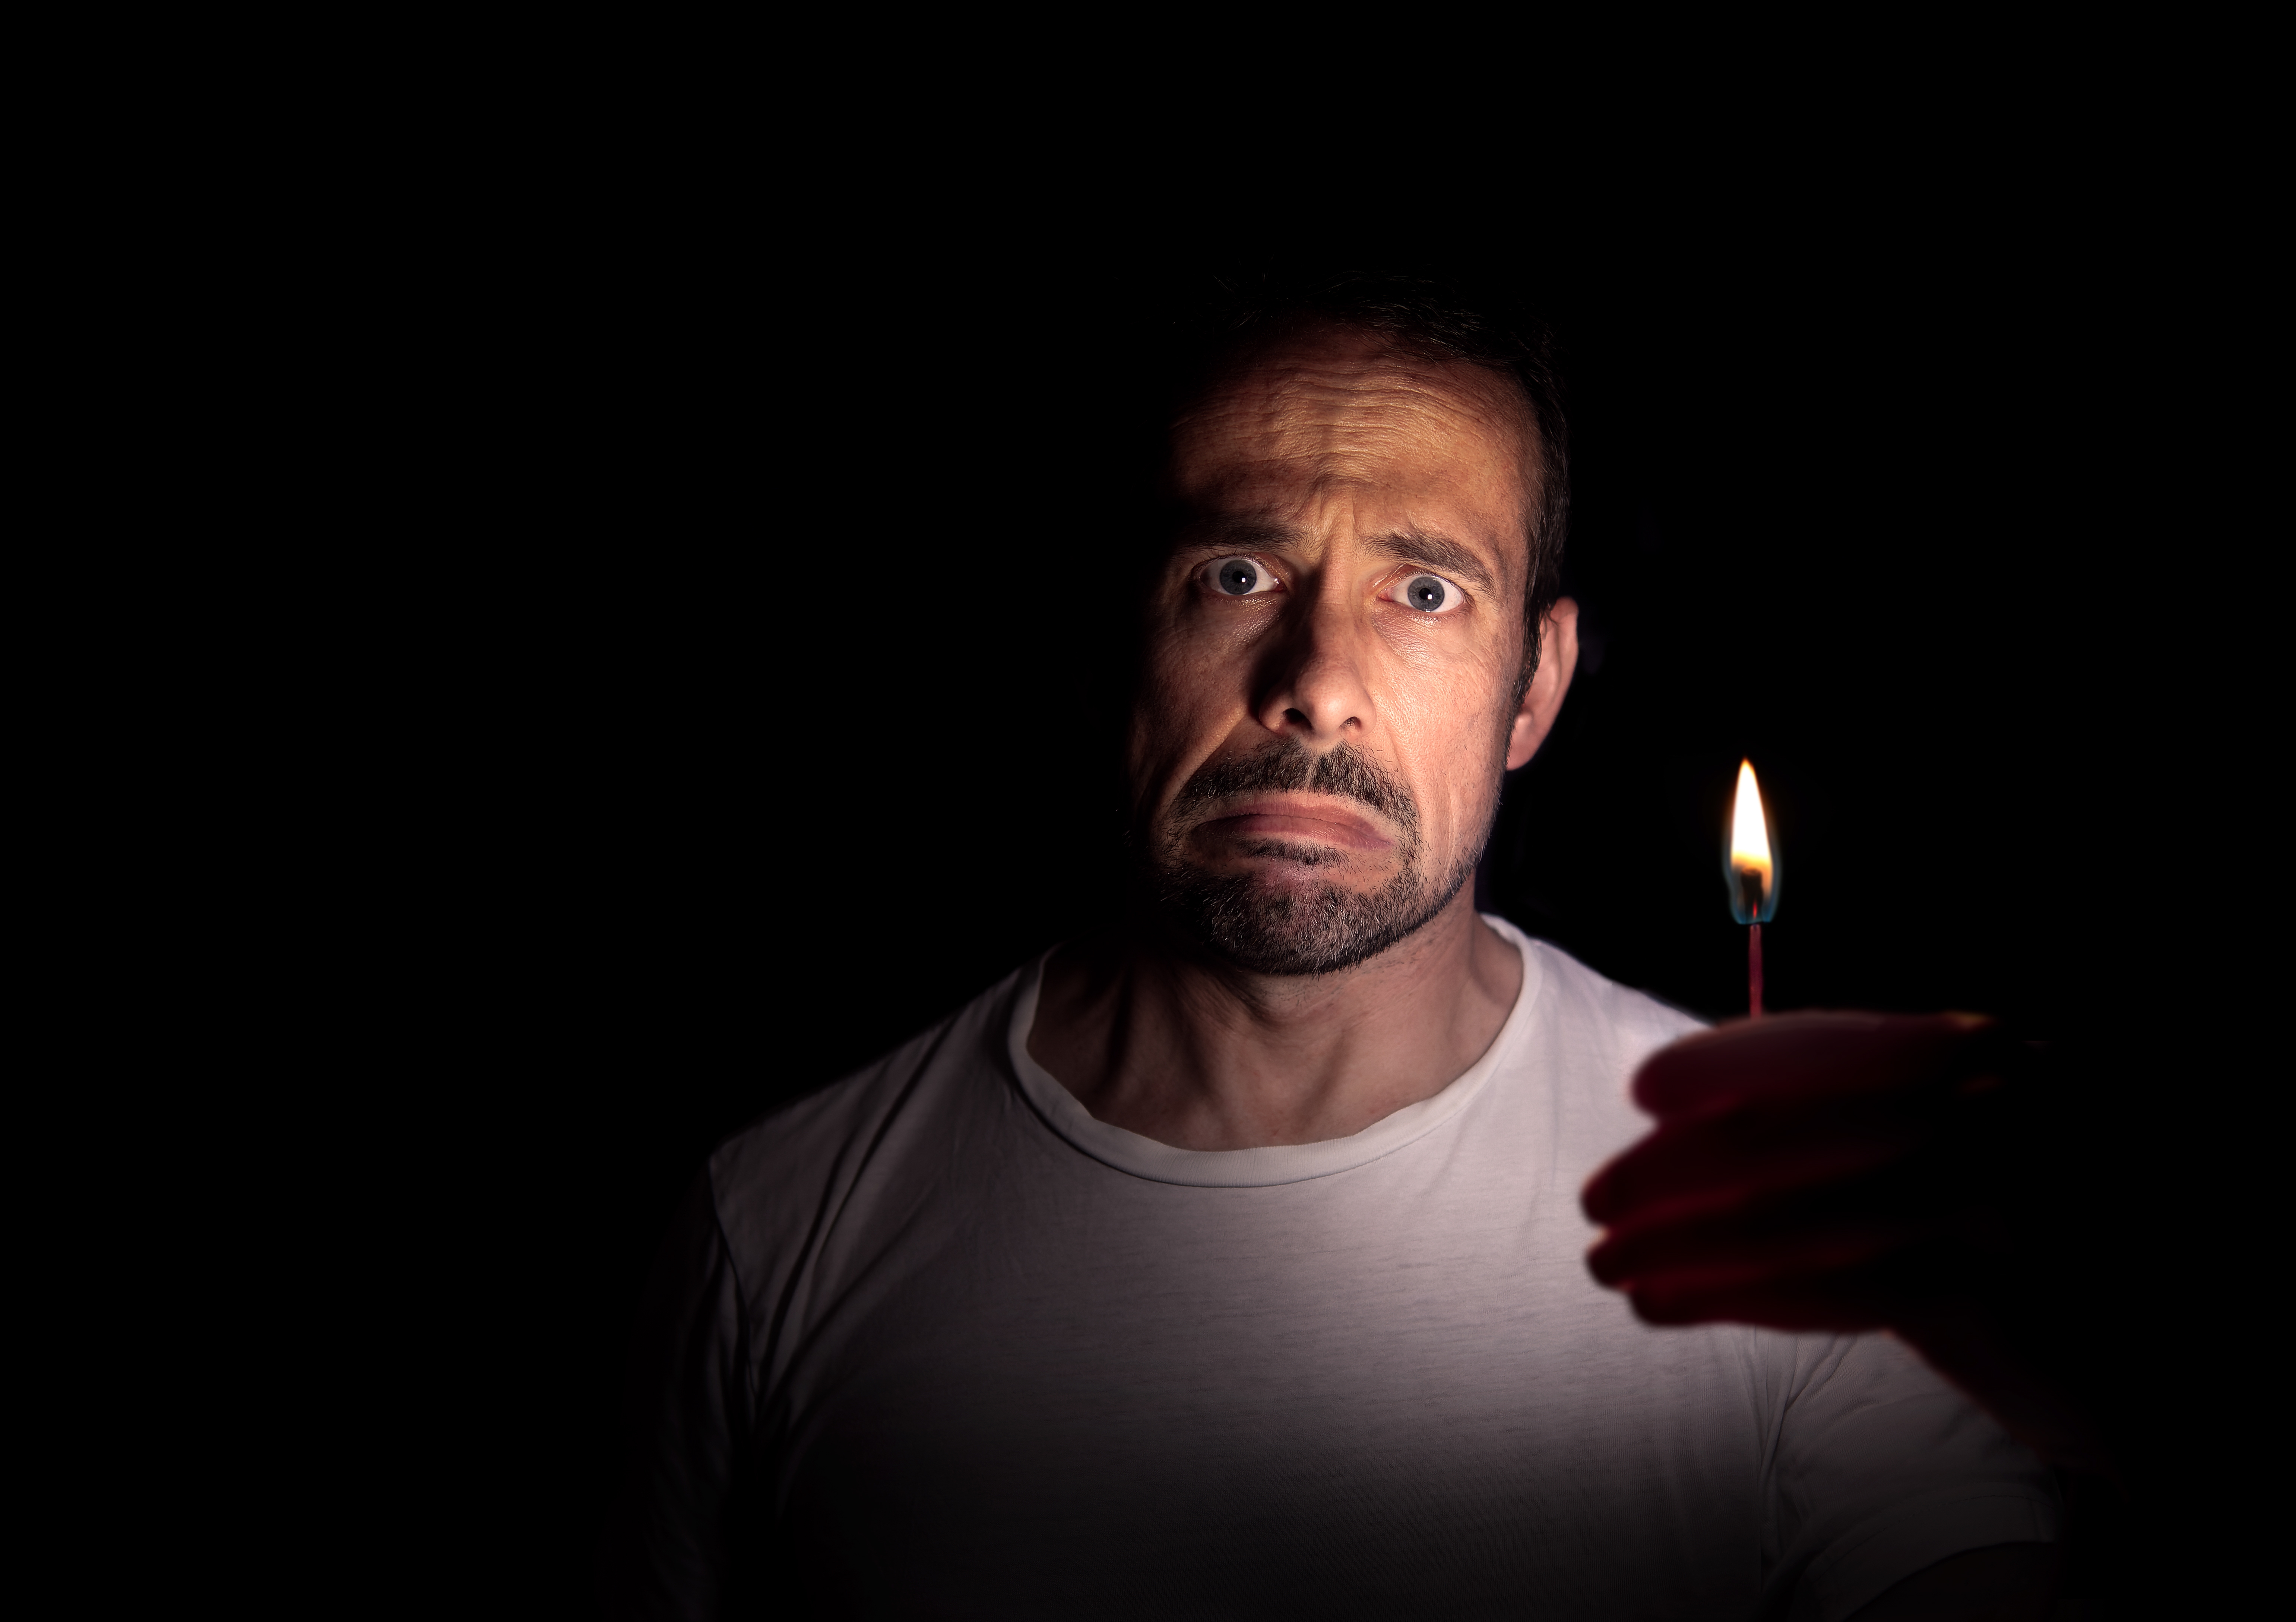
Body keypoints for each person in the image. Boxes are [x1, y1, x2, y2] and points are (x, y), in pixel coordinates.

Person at [602, 278, 2084, 1619]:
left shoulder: (1787, 1214)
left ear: (1534, 686)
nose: (1316, 687)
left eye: (1424, 592)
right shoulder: (777, 1224)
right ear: (1112, 643)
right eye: (1237, 574)